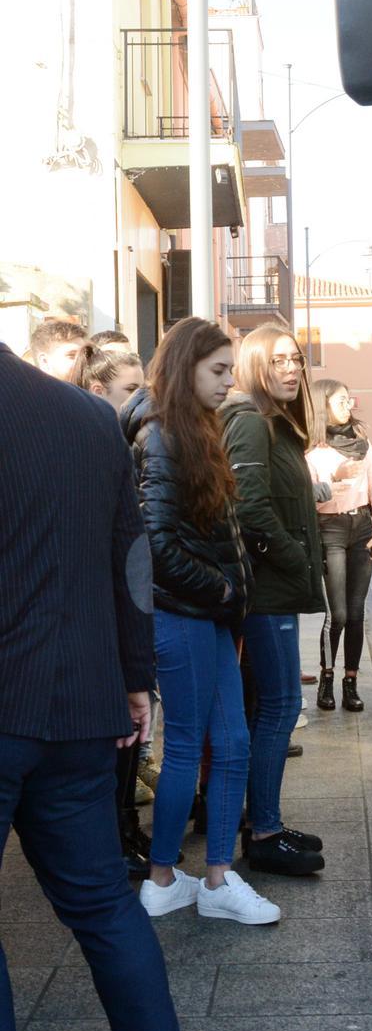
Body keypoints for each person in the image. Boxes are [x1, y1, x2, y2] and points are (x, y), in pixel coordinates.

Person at [0, 342, 212, 1031]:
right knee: (101, 906)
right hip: (78, 705)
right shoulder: (89, 417)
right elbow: (132, 563)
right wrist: (132, 678)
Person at [121, 317, 280, 926]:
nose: (226, 383)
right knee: (189, 745)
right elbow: (155, 540)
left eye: (228, 371)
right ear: (185, 365)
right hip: (182, 613)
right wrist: (220, 588)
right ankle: (166, 878)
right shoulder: (161, 433)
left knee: (232, 741)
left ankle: (212, 877)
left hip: (203, 613)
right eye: (217, 371)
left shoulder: (188, 428)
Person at [220, 324, 326, 876]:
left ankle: (265, 823)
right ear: (257, 365)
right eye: (280, 360)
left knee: (276, 705)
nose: (292, 369)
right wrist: (296, 559)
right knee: (281, 705)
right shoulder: (252, 423)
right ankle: (262, 831)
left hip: (275, 591)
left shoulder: (277, 426)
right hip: (266, 592)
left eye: (298, 359)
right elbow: (248, 507)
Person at [68, 341, 152, 878]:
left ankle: (124, 827)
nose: (141, 397)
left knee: (128, 740)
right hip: (100, 623)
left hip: (114, 622)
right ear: (99, 392)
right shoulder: (95, 441)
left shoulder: (119, 439)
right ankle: (116, 834)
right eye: (130, 390)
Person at [306, 380, 372, 712]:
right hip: (330, 530)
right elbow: (307, 499)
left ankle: (350, 683)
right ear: (322, 404)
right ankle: (326, 679)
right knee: (336, 615)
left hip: (361, 529)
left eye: (348, 399)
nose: (347, 405)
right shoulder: (311, 450)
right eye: (340, 400)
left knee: (357, 614)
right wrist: (336, 478)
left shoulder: (362, 444)